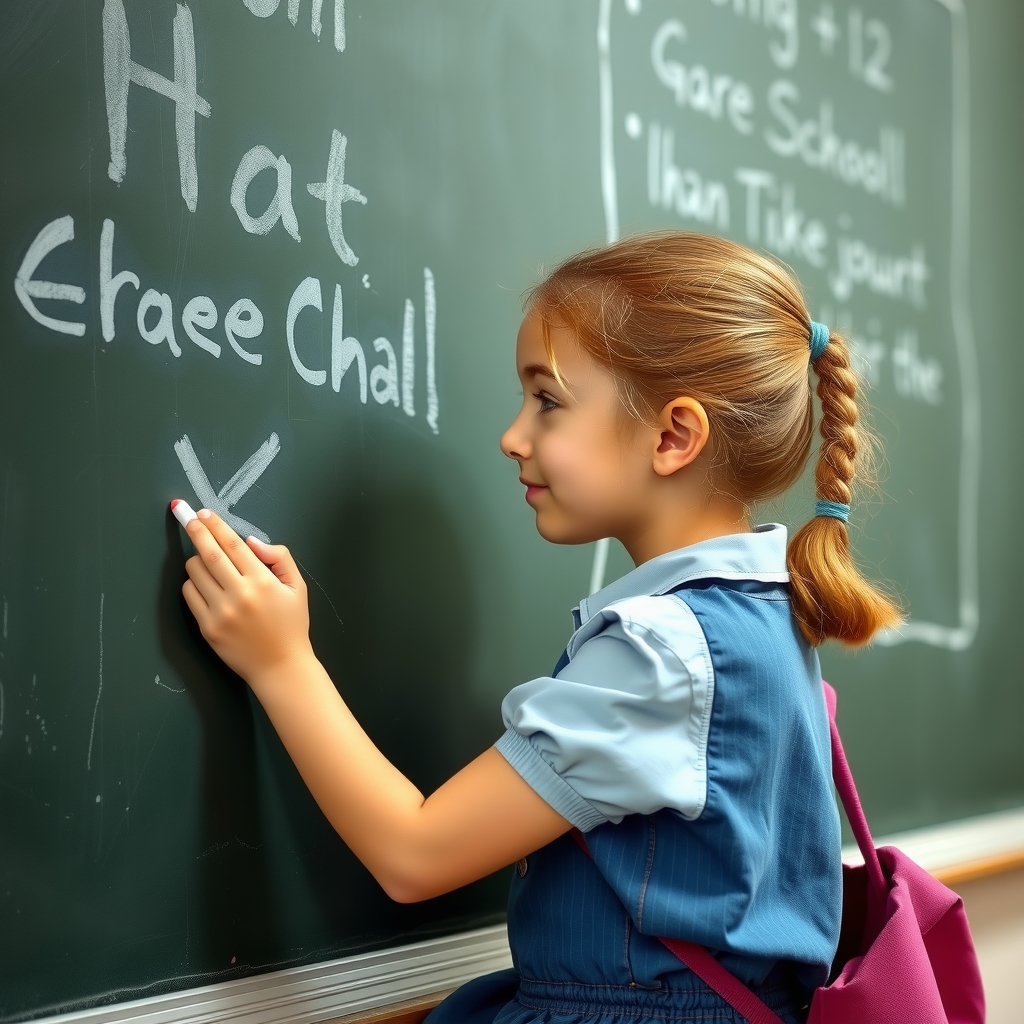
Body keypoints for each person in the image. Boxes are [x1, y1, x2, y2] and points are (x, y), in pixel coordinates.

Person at [175, 232, 901, 1024]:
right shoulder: (763, 613)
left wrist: (282, 662)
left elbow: (414, 854)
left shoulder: (665, 655)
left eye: (547, 400)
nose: (512, 436)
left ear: (673, 437)